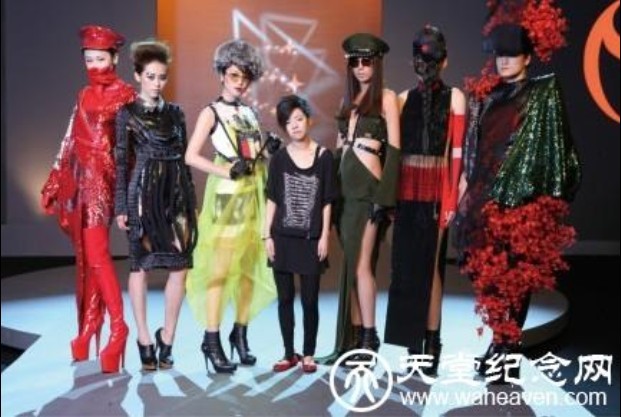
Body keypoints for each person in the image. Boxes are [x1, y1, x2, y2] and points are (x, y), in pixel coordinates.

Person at [455, 0, 581, 383]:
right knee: (488, 277)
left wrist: (541, 198)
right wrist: (466, 192)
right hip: (483, 198)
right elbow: (475, 149)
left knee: (515, 277)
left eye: (512, 54)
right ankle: (499, 340)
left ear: (528, 57)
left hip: (519, 202)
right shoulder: (486, 97)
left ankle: (507, 349)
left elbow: (554, 146)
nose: (504, 61)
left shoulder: (541, 94)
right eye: (499, 55)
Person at [40, 25, 135, 373]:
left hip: (104, 183)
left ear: (114, 58)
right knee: (87, 256)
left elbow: (131, 148)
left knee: (96, 253)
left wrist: (130, 194)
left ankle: (119, 328)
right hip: (78, 180)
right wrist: (54, 179)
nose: (94, 66)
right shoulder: (83, 94)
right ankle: (90, 325)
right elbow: (69, 138)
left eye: (100, 59)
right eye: (89, 59)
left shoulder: (126, 95)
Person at [185, 39, 278, 373]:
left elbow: (255, 155)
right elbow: (191, 155)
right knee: (221, 270)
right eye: (235, 75)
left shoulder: (250, 113)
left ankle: (240, 333)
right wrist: (226, 170)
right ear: (222, 74)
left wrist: (268, 150)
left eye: (246, 77)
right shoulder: (210, 113)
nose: (240, 83)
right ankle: (212, 340)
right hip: (227, 196)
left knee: (250, 268)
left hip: (254, 194)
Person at [384, 25, 466, 376]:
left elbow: (458, 154)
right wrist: (391, 200)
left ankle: (432, 343)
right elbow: (395, 154)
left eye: (432, 58)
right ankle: (411, 343)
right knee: (405, 268)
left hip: (436, 190)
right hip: (407, 190)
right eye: (420, 58)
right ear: (412, 61)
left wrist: (452, 199)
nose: (426, 64)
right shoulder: (403, 99)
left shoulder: (455, 97)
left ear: (444, 61)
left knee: (431, 269)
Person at [114, 39, 198, 371]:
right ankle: (144, 337)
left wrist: (191, 201)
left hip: (175, 194)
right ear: (137, 75)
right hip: (143, 194)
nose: (157, 83)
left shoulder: (176, 113)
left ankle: (168, 337)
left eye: (162, 77)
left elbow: (186, 159)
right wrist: (122, 205)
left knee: (180, 266)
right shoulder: (126, 114)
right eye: (150, 76)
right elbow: (121, 163)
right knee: (141, 266)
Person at [320, 33, 400, 364]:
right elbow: (340, 150)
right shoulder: (349, 102)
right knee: (352, 265)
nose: (361, 67)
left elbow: (395, 151)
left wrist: (386, 197)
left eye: (367, 61)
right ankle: (353, 339)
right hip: (345, 193)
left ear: (377, 64)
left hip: (369, 192)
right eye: (355, 62)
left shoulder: (387, 98)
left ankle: (369, 338)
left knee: (363, 265)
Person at [265, 95, 336, 373]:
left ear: (309, 120)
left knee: (309, 300)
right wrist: (267, 236)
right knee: (284, 299)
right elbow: (272, 198)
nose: (294, 125)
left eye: (298, 119)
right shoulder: (279, 159)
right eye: (288, 122)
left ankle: (308, 354)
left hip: (310, 240)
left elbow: (328, 200)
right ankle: (288, 353)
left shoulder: (324, 157)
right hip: (282, 238)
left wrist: (325, 236)